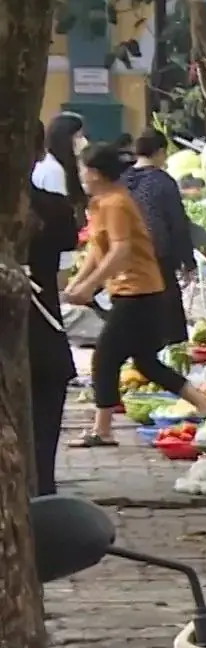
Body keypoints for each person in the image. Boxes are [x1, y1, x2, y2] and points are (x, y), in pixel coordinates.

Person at [64, 143, 206, 447]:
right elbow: (97, 249)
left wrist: (90, 285)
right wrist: (77, 283)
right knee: (145, 361)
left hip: (139, 291)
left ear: (95, 173)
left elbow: (120, 251)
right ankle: (205, 404)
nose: (81, 176)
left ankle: (102, 430)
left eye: (84, 170)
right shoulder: (100, 203)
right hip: (132, 290)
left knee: (105, 358)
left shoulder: (116, 203)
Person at [26, 126, 79, 493]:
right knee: (41, 451)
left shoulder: (53, 210)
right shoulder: (56, 209)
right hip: (43, 336)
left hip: (40, 334)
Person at [122, 132, 195, 347]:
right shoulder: (163, 181)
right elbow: (178, 224)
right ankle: (172, 347)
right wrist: (187, 260)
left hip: (126, 252)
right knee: (168, 304)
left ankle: (139, 346)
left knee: (135, 303)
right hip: (157, 251)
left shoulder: (122, 179)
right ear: (160, 152)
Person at [34, 111, 85, 204]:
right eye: (79, 136)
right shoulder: (53, 170)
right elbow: (57, 206)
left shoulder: (57, 165)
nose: (84, 141)